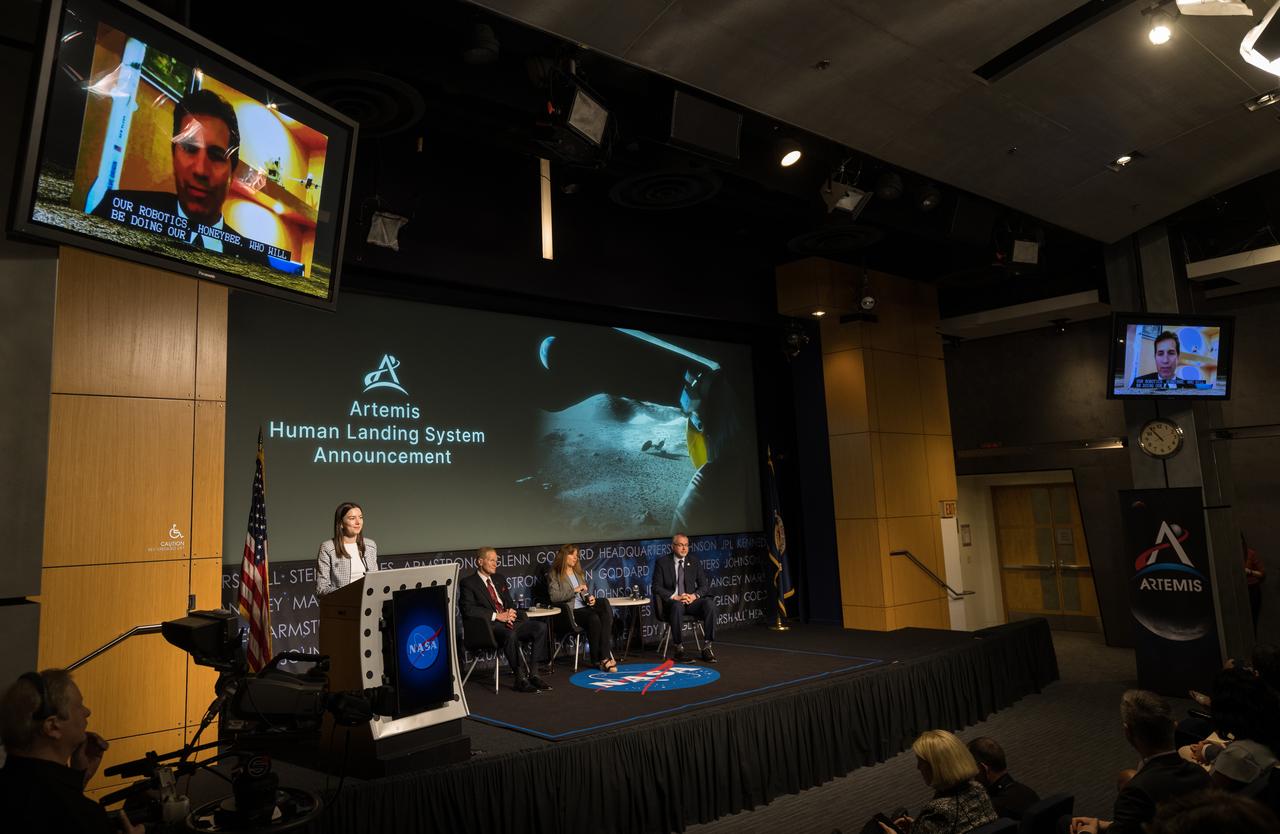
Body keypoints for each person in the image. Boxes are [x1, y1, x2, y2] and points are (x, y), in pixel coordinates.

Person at [90, 89, 267, 263]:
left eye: (215, 155)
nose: (200, 170)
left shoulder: (256, 259)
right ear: (174, 155)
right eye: (190, 149)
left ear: (232, 171)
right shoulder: (116, 209)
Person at [0, 669, 142, 833]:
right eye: (79, 706)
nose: (87, 712)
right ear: (53, 726)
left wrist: (77, 778)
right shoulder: (83, 817)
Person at [1068, 690, 1211, 834]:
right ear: (1174, 727)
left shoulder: (1136, 792)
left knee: (1064, 823)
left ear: (1127, 733)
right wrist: (1104, 825)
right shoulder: (1201, 775)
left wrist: (1087, 832)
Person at [459, 547, 551, 693]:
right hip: (490, 628)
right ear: (480, 561)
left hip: (508, 622)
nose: (495, 563)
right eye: (492, 560)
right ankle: (519, 678)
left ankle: (533, 674)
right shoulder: (468, 583)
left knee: (540, 627)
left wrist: (511, 612)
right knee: (510, 634)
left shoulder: (499, 578)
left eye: (497, 560)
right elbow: (468, 610)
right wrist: (497, 616)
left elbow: (509, 603)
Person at [878, 730, 996, 834]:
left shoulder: (936, 812)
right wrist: (918, 827)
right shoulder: (979, 789)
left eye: (920, 762)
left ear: (935, 767)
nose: (918, 767)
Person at [547, 543, 616, 671]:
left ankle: (604, 656)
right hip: (571, 611)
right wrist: (574, 590)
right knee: (594, 618)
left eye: (576, 555)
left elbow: (583, 593)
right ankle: (598, 660)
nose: (575, 558)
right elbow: (554, 597)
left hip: (585, 607)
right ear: (564, 556)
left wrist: (589, 598)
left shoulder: (578, 573)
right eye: (572, 555)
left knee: (604, 609)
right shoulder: (554, 574)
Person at [651, 533, 718, 663]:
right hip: (674, 603)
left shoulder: (694, 561)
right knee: (677, 606)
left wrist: (694, 596)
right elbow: (656, 587)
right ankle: (679, 648)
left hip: (691, 602)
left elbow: (704, 586)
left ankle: (707, 647)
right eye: (681, 545)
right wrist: (674, 597)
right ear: (673, 547)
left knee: (709, 604)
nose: (684, 548)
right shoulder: (662, 563)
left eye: (686, 545)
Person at [968, 736, 1040, 819]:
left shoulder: (992, 810)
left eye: (971, 768)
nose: (970, 774)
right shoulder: (1029, 792)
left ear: (983, 769)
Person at [315, 501, 378, 596]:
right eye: (352, 518)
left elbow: (377, 581)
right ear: (341, 523)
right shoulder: (328, 548)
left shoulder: (370, 545)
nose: (358, 522)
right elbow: (321, 589)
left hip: (369, 603)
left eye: (360, 517)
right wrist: (347, 593)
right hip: (343, 606)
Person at [1242, 534, 1265, 633]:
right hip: (1239, 591)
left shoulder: (1250, 553)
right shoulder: (1231, 555)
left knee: (1252, 620)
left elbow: (1262, 573)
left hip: (1252, 590)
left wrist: (1250, 572)